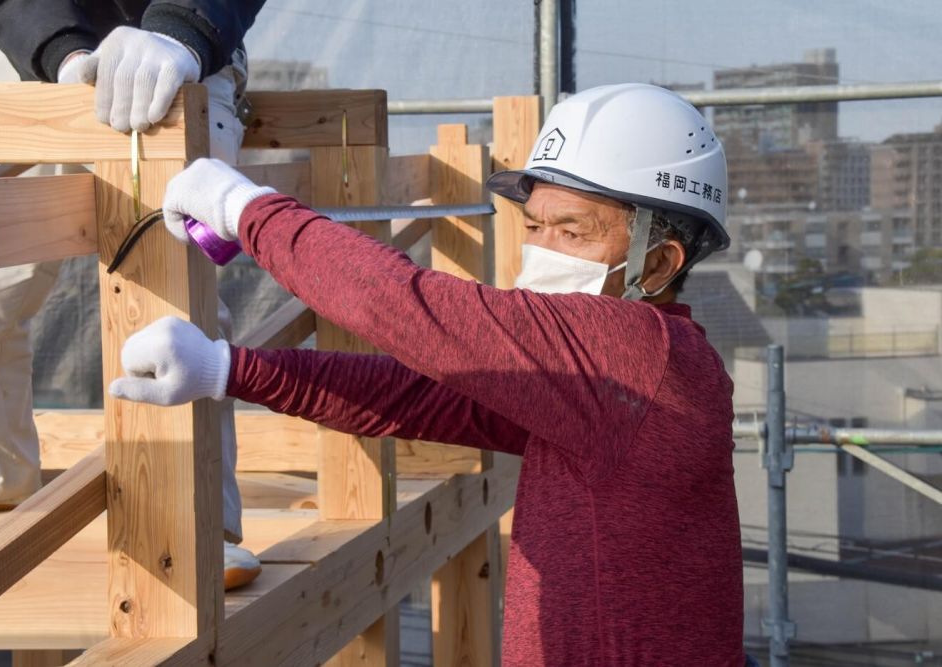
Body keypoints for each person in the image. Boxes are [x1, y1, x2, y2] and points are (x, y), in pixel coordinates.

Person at [110, 84, 750, 664]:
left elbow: (402, 306)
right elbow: (421, 397)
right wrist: (232, 369)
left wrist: (248, 210)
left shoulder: (636, 352)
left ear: (659, 264)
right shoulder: (609, 381)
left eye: (573, 231)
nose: (542, 248)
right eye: (534, 225)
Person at [0, 0, 266, 590]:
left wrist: (185, 30)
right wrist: (56, 48)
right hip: (11, 34)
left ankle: (191, 517)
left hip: (169, 47)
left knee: (168, 276)